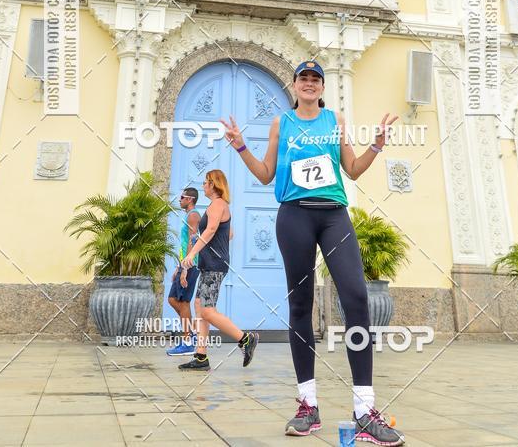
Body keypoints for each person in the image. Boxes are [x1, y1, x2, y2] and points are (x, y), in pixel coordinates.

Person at [221, 61, 405, 445]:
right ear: (294, 85)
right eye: (303, 78)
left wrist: (376, 145)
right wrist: (240, 146)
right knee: (301, 305)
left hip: (334, 215)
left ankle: (365, 410)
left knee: (356, 298)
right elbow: (265, 174)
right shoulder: (281, 123)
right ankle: (308, 405)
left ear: (322, 87)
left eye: (315, 79)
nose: (309, 83)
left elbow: (352, 169)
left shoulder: (335, 120)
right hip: (294, 217)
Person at [178, 169, 259, 371]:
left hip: (214, 264)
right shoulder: (217, 206)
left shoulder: (218, 204)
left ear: (213, 184)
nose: (203, 186)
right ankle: (201, 357)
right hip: (210, 263)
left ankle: (246, 338)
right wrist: (209, 240)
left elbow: (212, 229)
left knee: (207, 310)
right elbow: (228, 233)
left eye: (206, 183)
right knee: (199, 306)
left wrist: (192, 253)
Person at [166, 187, 201, 356]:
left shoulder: (193, 215)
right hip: (184, 264)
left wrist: (185, 268)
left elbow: (193, 242)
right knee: (173, 299)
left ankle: (188, 342)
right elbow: (184, 244)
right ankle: (191, 334)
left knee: (184, 302)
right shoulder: (188, 216)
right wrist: (178, 267)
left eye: (182, 197)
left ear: (190, 199)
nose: (179, 200)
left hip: (191, 265)